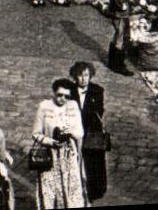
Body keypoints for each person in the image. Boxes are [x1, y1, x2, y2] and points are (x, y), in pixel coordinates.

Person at [31, 77, 87, 209]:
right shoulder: (44, 107)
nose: (63, 99)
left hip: (68, 155)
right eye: (59, 95)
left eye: (67, 96)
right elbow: (36, 133)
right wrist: (51, 141)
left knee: (70, 190)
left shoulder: (73, 106)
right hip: (49, 155)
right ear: (54, 93)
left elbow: (80, 133)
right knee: (49, 189)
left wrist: (71, 131)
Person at [69, 61, 107, 203]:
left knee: (93, 161)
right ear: (75, 76)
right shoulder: (70, 91)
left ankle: (94, 190)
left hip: (91, 131)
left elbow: (99, 111)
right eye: (80, 75)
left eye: (86, 75)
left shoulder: (97, 91)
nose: (84, 78)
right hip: (75, 130)